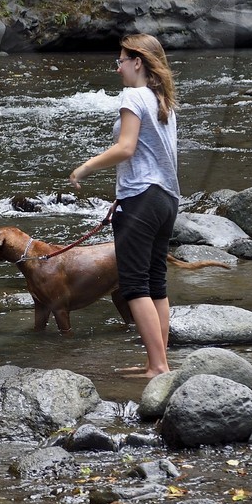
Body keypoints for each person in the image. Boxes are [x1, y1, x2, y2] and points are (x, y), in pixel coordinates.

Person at [67, 33, 181, 378]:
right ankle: (159, 363)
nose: (117, 68)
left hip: (141, 199)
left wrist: (85, 166)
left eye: (120, 61)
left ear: (137, 62)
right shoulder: (164, 101)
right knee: (156, 283)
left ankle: (157, 366)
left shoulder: (133, 95)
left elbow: (126, 147)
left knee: (134, 285)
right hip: (167, 199)